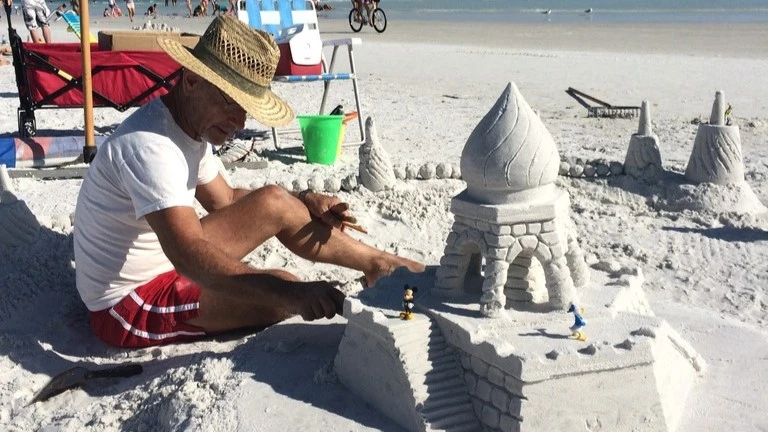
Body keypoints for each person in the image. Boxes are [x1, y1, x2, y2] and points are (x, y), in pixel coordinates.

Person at [73, 15, 424, 349]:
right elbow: (187, 256)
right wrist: (290, 295)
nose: (239, 122)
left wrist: (302, 199)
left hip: (164, 256)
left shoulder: (185, 124)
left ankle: (378, 263)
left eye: (246, 109)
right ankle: (336, 284)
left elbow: (225, 200)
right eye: (231, 102)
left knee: (273, 199)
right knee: (282, 290)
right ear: (192, 80)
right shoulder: (151, 147)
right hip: (126, 302)